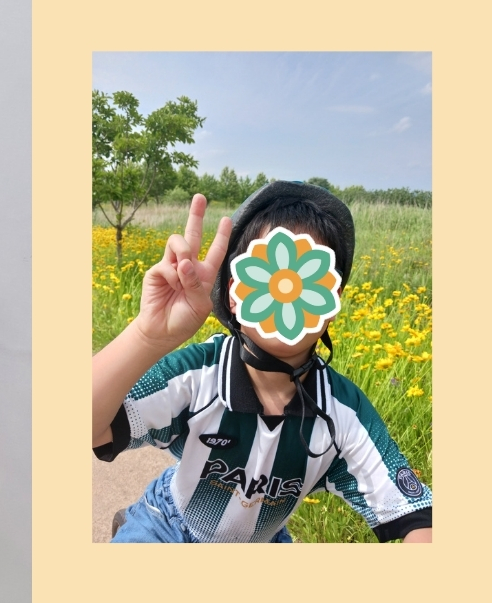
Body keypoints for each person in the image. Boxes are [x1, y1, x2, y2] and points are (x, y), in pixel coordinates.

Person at [92, 181, 432, 543]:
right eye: (265, 274)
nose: (287, 291)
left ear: (331, 304)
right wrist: (147, 335)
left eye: (311, 280)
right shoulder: (199, 375)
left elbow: (416, 516)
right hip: (169, 525)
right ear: (235, 295)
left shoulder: (341, 412)